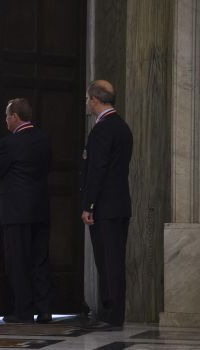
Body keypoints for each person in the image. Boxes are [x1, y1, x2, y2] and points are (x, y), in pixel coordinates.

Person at [0, 98, 53, 324]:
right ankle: (45, 310)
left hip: (16, 212)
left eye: (6, 116)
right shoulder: (44, 139)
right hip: (40, 210)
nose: (5, 121)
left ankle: (23, 311)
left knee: (18, 262)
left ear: (14, 116)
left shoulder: (10, 143)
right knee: (40, 261)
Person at [80, 80, 133, 331]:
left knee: (108, 261)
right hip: (120, 204)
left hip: (105, 207)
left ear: (95, 100)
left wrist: (89, 205)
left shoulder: (102, 129)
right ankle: (110, 312)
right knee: (114, 260)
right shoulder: (122, 127)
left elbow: (97, 170)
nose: (87, 103)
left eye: (88, 99)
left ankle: (112, 314)